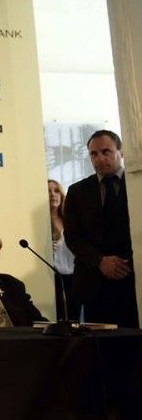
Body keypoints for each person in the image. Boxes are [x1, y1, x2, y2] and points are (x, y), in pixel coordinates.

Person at [64, 130, 137, 327]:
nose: (100, 159)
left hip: (133, 277)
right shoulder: (77, 191)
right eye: (94, 154)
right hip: (94, 282)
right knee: (99, 341)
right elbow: (72, 236)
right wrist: (100, 261)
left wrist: (125, 264)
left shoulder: (136, 185)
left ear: (121, 152)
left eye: (106, 152)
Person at [48, 179, 77, 320]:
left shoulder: (70, 220)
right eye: (48, 191)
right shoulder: (41, 223)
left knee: (74, 319)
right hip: (53, 278)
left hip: (74, 277)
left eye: (56, 191)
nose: (53, 194)